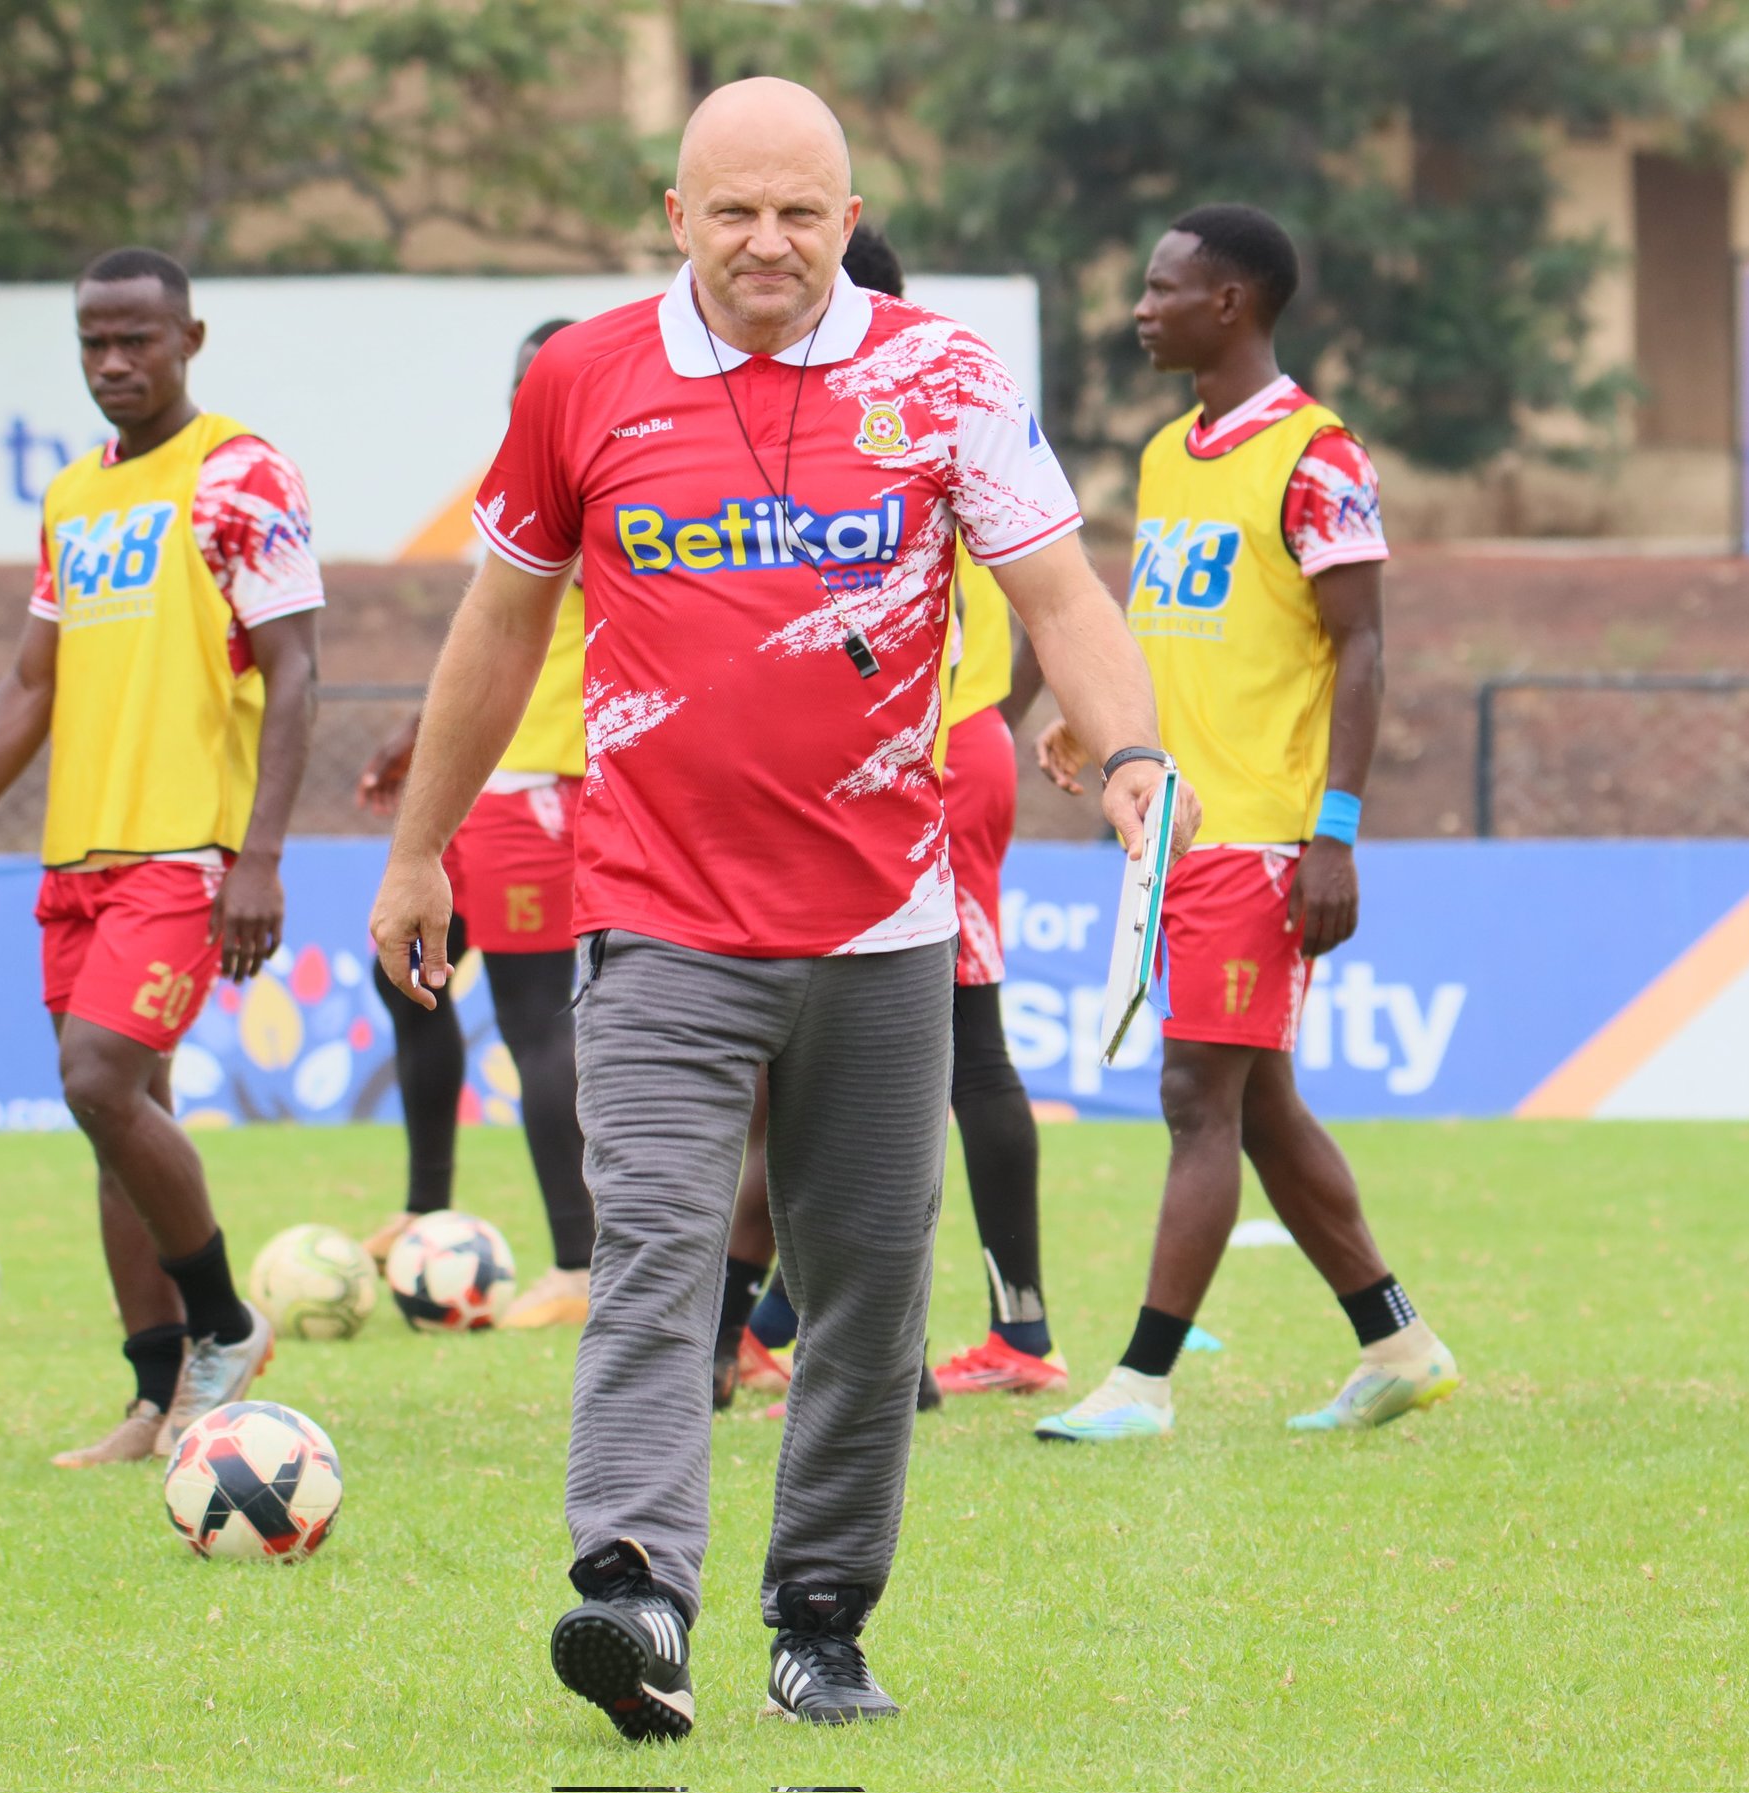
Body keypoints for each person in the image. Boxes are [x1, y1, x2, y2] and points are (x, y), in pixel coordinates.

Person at [370, 77, 1192, 1738]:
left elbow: (1059, 592)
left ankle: (817, 1617)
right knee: (657, 1248)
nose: (766, 243)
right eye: (732, 211)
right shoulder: (581, 379)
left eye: (798, 214)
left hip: (884, 925)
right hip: (655, 913)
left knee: (869, 1283)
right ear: (676, 216)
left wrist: (1132, 755)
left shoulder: (939, 374)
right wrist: (417, 848)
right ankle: (633, 1590)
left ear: (845, 213)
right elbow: (500, 630)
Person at [0, 247, 321, 1466]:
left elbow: (294, 668)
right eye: (95, 343)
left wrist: (260, 855)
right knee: (117, 1118)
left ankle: (227, 1324)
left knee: (97, 1080)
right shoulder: (75, 495)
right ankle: (156, 1394)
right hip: (75, 850)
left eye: (138, 338)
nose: (115, 361)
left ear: (192, 337)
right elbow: (33, 681)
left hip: (184, 848)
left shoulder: (238, 473)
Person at [1032, 204, 1458, 1445]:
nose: (1138, 308)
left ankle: (1143, 1380)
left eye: (1160, 289)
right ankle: (1394, 1339)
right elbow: (1168, 624)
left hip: (1263, 833)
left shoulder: (1319, 455)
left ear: (1229, 304)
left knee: (1193, 1093)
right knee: (1260, 1101)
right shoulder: (1169, 455)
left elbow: (1361, 648)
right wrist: (1098, 724)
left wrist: (1332, 832)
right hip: (1178, 821)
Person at [714, 223, 1065, 1404]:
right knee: (847, 1051)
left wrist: (967, 727)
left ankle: (975, 1333)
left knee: (923, 1052)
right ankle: (772, 1327)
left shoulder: (883, 418)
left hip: (921, 764)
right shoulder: (934, 407)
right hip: (940, 748)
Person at [354, 320, 597, 1330]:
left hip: (543, 783)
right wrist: (421, 739)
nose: (531, 399)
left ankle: (579, 1264)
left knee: (534, 1015)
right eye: (521, 383)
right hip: (485, 781)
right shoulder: (522, 480)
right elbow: (489, 637)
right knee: (403, 971)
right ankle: (425, 1206)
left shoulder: (604, 483)